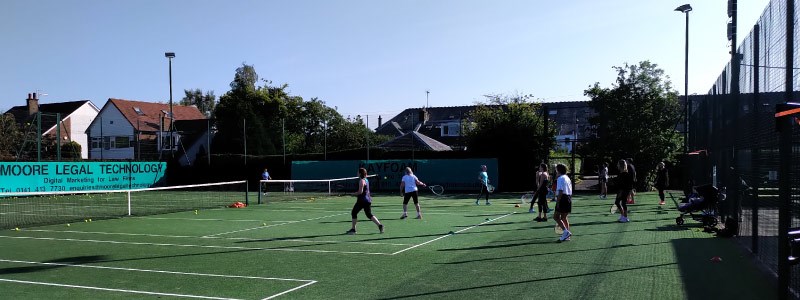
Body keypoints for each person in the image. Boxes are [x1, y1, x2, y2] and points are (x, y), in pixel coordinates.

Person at [346, 168, 384, 235]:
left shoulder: (361, 181)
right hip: (367, 200)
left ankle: (353, 229)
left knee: (354, 212)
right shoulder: (366, 180)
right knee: (369, 214)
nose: (357, 173)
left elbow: (360, 192)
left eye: (358, 172)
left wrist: (353, 194)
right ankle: (379, 225)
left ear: (360, 173)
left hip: (362, 200)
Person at [553, 164, 572, 242]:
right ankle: (567, 235)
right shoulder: (567, 178)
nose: (555, 171)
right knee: (564, 217)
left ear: (558, 170)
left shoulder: (560, 178)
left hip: (563, 199)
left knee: (556, 217)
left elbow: (560, 191)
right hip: (568, 198)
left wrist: (558, 201)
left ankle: (565, 232)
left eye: (556, 169)